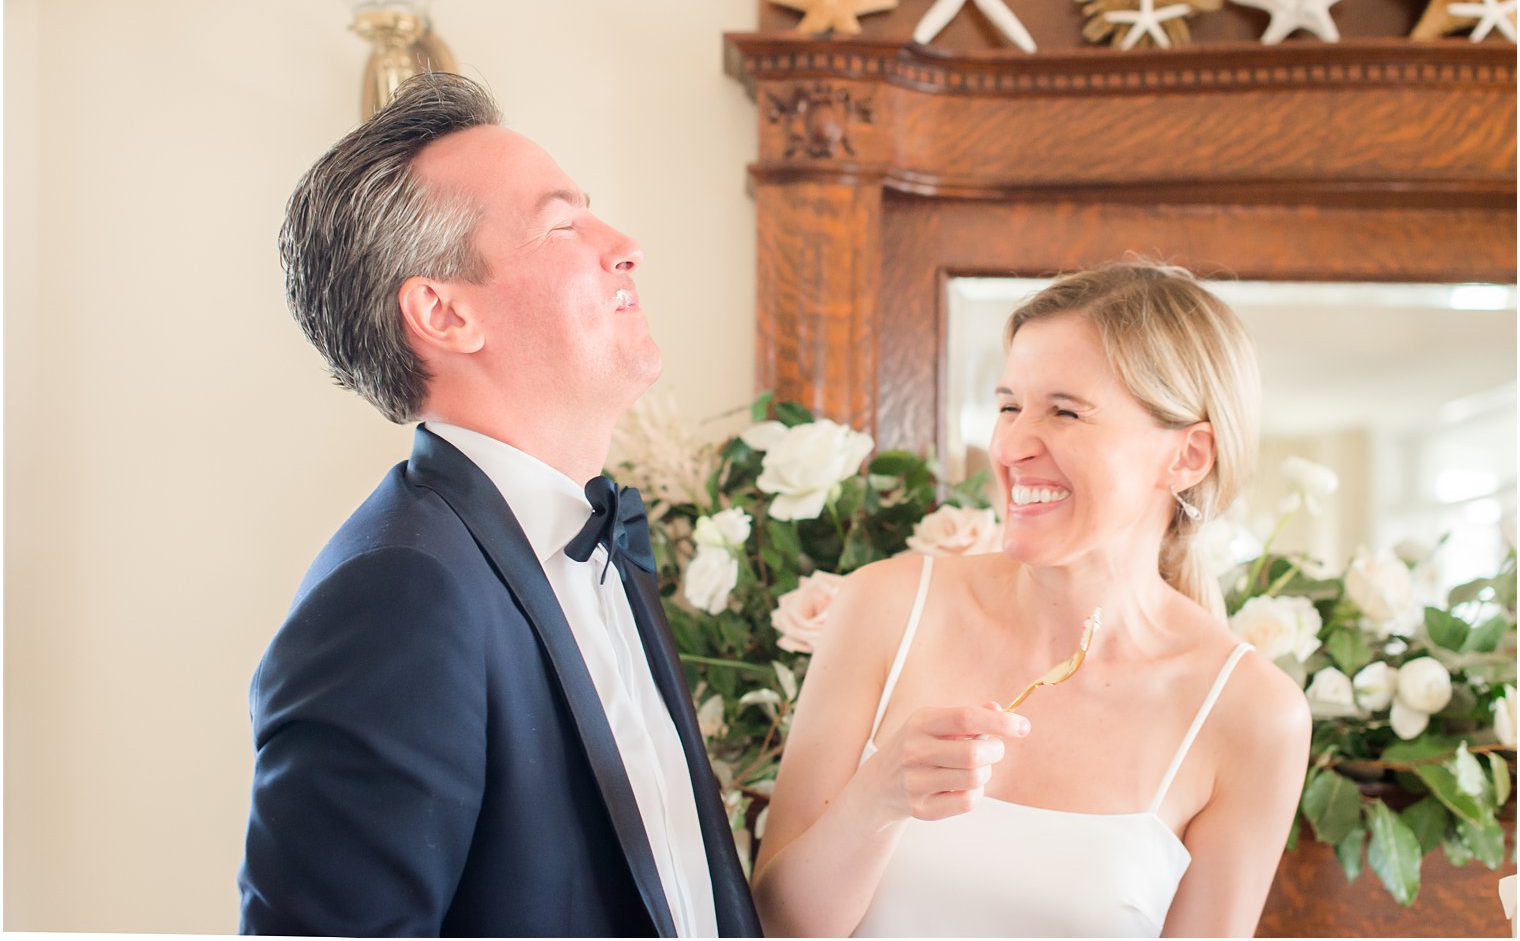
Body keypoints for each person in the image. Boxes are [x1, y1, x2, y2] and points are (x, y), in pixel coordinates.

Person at [238, 73, 760, 938]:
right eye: (564, 224)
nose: (625, 244)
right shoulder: (397, 595)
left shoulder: (597, 540)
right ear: (443, 312)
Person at [752, 262, 1311, 938]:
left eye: (1065, 411)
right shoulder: (885, 606)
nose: (1011, 446)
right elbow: (776, 926)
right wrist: (877, 798)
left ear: (1188, 457)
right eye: (1009, 405)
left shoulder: (1255, 713)